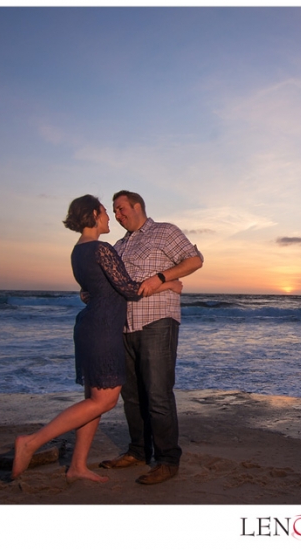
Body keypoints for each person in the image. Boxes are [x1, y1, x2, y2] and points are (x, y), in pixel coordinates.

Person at [12, 195, 182, 482]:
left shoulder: (78, 251)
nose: (110, 217)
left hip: (90, 325)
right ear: (93, 214)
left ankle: (77, 465)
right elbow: (127, 288)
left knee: (93, 399)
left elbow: (92, 290)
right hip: (103, 329)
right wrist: (167, 283)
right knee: (104, 401)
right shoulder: (102, 249)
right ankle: (30, 442)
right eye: (105, 212)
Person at [99, 190, 203, 485]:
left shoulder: (164, 232)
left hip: (158, 321)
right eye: (114, 211)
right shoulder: (117, 246)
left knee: (157, 394)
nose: (117, 215)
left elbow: (194, 260)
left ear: (137, 206)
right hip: (124, 326)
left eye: (120, 209)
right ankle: (138, 451)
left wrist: (161, 279)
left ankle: (168, 459)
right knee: (131, 396)